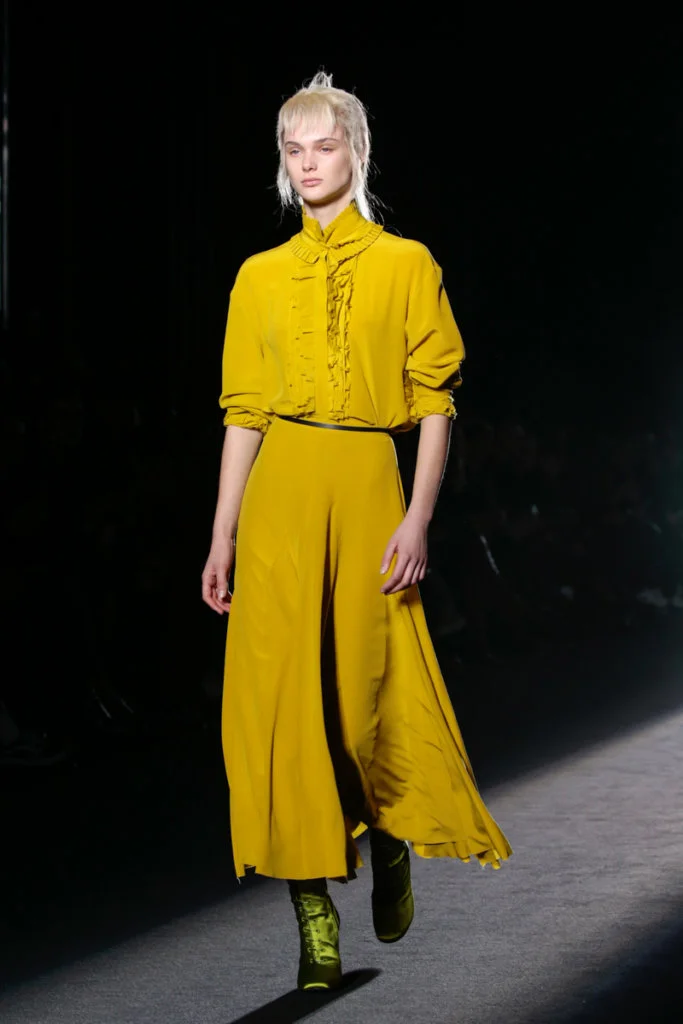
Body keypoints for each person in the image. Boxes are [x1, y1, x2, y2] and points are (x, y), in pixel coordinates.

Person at [202, 71, 512, 992]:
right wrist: (221, 536)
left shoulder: (407, 264)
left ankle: (390, 835)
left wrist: (417, 517)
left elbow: (433, 402)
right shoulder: (257, 276)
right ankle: (313, 921)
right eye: (292, 149)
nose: (307, 163)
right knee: (281, 708)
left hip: (370, 487)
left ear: (357, 152)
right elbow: (243, 414)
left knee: (368, 695)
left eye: (323, 145)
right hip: (279, 502)